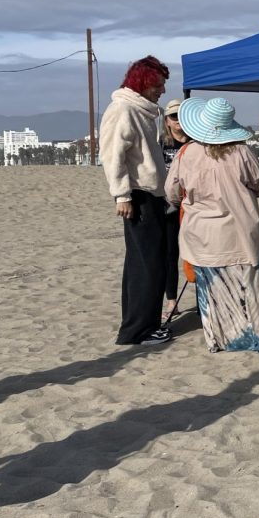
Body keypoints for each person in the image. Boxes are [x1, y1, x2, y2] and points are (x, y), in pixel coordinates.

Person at [165, 97, 259, 354]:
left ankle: (223, 339)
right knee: (253, 287)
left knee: (214, 292)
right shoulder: (242, 152)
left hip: (202, 234)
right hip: (239, 232)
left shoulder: (186, 153)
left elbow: (171, 192)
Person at [100, 56, 172, 346]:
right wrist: (122, 195)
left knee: (148, 262)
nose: (162, 90)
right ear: (143, 81)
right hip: (137, 196)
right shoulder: (123, 109)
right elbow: (111, 155)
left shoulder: (143, 112)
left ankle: (143, 325)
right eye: (159, 84)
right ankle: (138, 330)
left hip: (151, 195)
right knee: (147, 265)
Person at [159, 99, 190, 322]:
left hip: (191, 206)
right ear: (167, 121)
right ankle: (172, 301)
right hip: (168, 207)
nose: (177, 121)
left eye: (181, 116)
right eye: (173, 117)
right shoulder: (160, 144)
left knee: (196, 253)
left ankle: (204, 297)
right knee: (170, 254)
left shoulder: (194, 143)